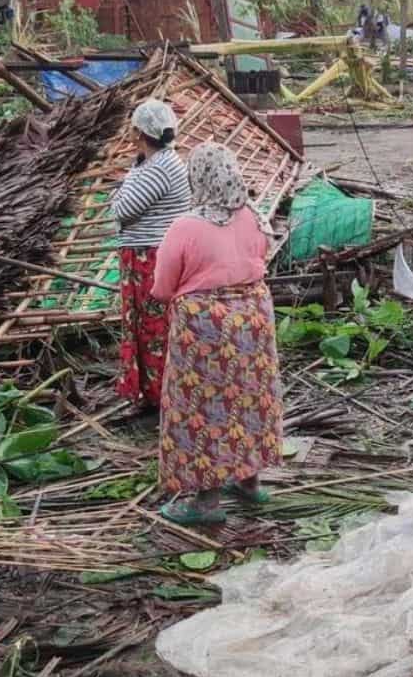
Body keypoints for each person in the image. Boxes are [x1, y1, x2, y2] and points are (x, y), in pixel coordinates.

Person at [148, 144, 283, 525]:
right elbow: (261, 257)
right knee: (250, 398)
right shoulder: (253, 215)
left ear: (198, 177)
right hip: (254, 321)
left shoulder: (186, 226)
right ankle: (250, 481)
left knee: (204, 408)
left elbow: (162, 288)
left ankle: (206, 503)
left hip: (205, 330)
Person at [109, 99, 192, 410]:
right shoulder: (152, 163)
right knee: (148, 324)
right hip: (146, 255)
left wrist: (116, 194)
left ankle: (162, 395)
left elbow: (122, 209)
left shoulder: (159, 168)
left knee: (154, 327)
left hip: (150, 258)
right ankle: (154, 391)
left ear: (139, 133)